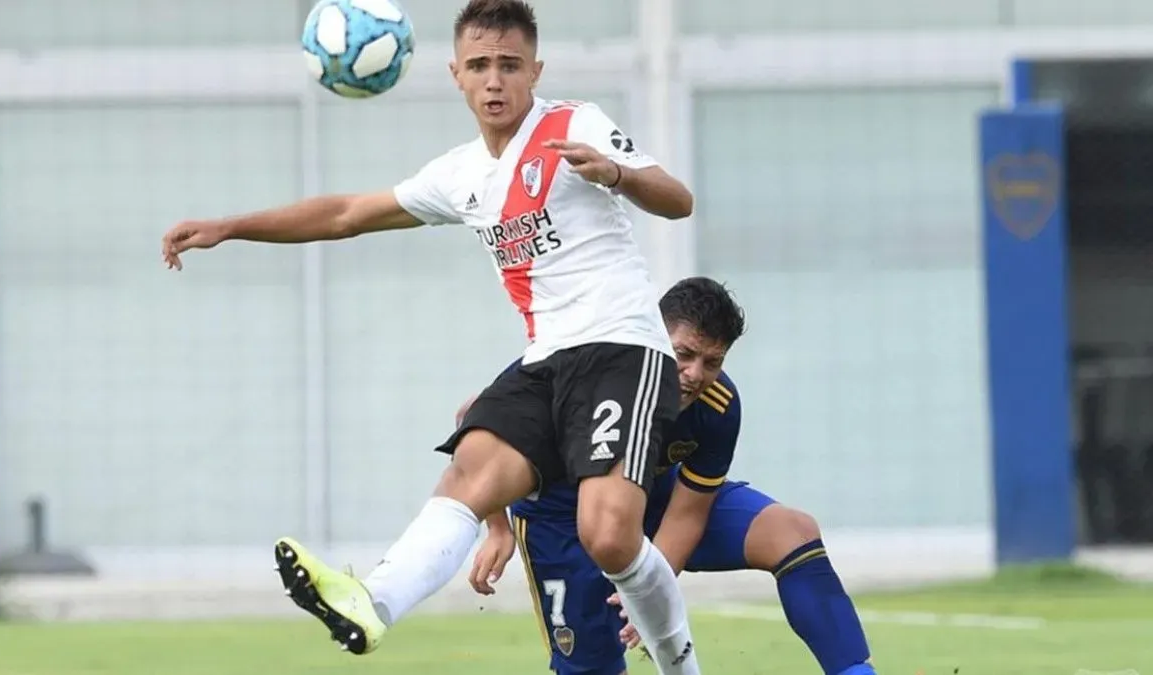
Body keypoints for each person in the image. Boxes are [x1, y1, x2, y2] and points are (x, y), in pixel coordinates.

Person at [160, 1, 702, 672]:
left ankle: (682, 665)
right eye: (479, 66)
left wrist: (615, 173)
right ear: (455, 75)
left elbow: (677, 200)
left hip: (621, 349)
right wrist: (230, 225)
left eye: (509, 65)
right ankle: (371, 602)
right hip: (546, 360)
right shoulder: (461, 174)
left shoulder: (573, 125)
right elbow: (346, 214)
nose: (494, 80)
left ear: (536, 69)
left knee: (608, 534)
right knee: (471, 467)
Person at [465, 277, 878, 675]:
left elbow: (687, 514)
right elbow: (472, 416)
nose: (696, 374)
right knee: (594, 667)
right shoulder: (584, 366)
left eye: (712, 361)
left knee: (793, 532)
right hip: (561, 522)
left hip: (654, 500)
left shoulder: (716, 406)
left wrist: (648, 595)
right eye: (684, 354)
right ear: (653, 334)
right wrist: (497, 528)